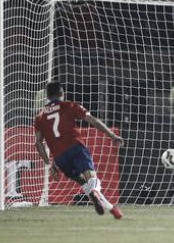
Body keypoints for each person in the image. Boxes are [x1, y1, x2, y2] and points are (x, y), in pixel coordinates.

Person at [34, 82, 124, 219]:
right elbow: (92, 120)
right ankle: (95, 192)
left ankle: (111, 209)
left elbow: (38, 143)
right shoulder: (69, 106)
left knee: (83, 182)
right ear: (61, 94)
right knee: (92, 180)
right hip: (75, 147)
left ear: (47, 96)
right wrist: (112, 135)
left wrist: (49, 164)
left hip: (60, 157)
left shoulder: (39, 116)